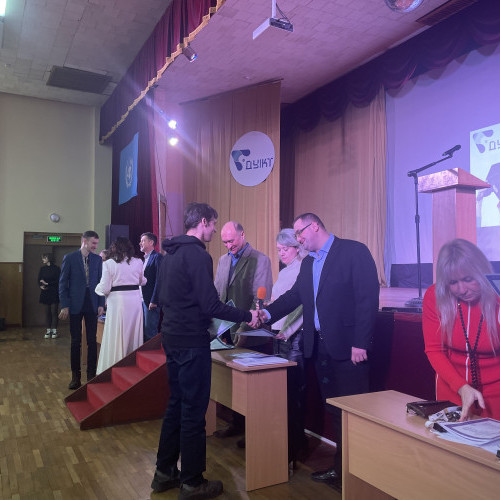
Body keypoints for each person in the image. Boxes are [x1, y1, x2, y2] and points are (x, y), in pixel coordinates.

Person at [259, 213, 379, 490]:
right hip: (320, 349)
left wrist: (361, 342)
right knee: (334, 410)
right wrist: (266, 313)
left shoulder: (353, 251)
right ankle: (340, 469)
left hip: (350, 349)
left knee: (353, 413)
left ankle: (359, 477)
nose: (298, 239)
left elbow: (367, 299)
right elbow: (294, 297)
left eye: (299, 233)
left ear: (315, 226)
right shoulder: (309, 262)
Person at [151, 202, 259, 500]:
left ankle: (164, 473)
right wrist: (248, 315)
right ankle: (192, 482)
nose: (214, 230)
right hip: (191, 342)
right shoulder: (198, 255)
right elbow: (210, 305)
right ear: (202, 222)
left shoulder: (170, 254)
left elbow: (164, 297)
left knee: (176, 405)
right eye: (212, 224)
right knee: (193, 412)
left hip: (172, 337)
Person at [423, 238, 500, 421]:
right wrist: (461, 387)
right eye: (453, 282)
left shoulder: (497, 297)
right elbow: (434, 350)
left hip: (496, 392)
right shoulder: (435, 296)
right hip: (452, 387)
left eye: (468, 279)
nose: (462, 289)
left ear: (481, 272)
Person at [213, 221, 273, 439]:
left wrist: (244, 328)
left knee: (253, 390)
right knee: (234, 385)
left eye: (231, 241)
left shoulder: (260, 259)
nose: (229, 246)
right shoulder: (223, 260)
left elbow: (260, 301)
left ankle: (255, 433)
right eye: (225, 242)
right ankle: (237, 425)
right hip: (225, 332)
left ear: (242, 235)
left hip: (250, 333)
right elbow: (218, 295)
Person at [269, 228, 308, 466]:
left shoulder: (303, 269)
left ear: (297, 247)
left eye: (285, 249)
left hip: (292, 338)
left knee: (292, 393)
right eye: (279, 250)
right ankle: (288, 444)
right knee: (281, 393)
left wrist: (288, 330)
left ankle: (294, 446)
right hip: (278, 335)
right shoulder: (286, 271)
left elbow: (302, 307)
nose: (281, 253)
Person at [59, 230, 105, 390]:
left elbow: (100, 282)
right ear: (84, 241)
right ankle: (75, 377)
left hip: (92, 304)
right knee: (75, 341)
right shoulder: (70, 258)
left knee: (92, 341)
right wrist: (64, 305)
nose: (95, 246)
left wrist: (101, 303)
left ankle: (91, 375)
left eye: (96, 243)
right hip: (74, 304)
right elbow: (62, 283)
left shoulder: (97, 259)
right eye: (93, 243)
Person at [95, 237, 146, 375]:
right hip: (135, 301)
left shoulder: (109, 264)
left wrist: (96, 289)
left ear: (114, 248)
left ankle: (115, 364)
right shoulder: (138, 262)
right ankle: (132, 365)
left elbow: (105, 288)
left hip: (118, 302)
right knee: (134, 332)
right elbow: (142, 281)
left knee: (117, 333)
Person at [139, 232, 163, 341]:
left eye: (143, 241)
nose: (140, 243)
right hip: (141, 300)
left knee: (150, 332)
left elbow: (159, 280)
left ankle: (153, 351)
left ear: (151, 242)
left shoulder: (157, 257)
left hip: (150, 301)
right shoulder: (144, 260)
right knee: (143, 331)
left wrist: (154, 300)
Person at [38, 253, 60, 339]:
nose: (43, 259)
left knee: (54, 311)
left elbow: (58, 280)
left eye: (44, 258)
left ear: (49, 258)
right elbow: (39, 279)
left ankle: (54, 330)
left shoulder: (56, 268)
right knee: (47, 312)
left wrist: (47, 283)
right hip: (45, 292)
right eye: (43, 258)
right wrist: (41, 285)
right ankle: (48, 330)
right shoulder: (42, 269)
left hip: (54, 291)